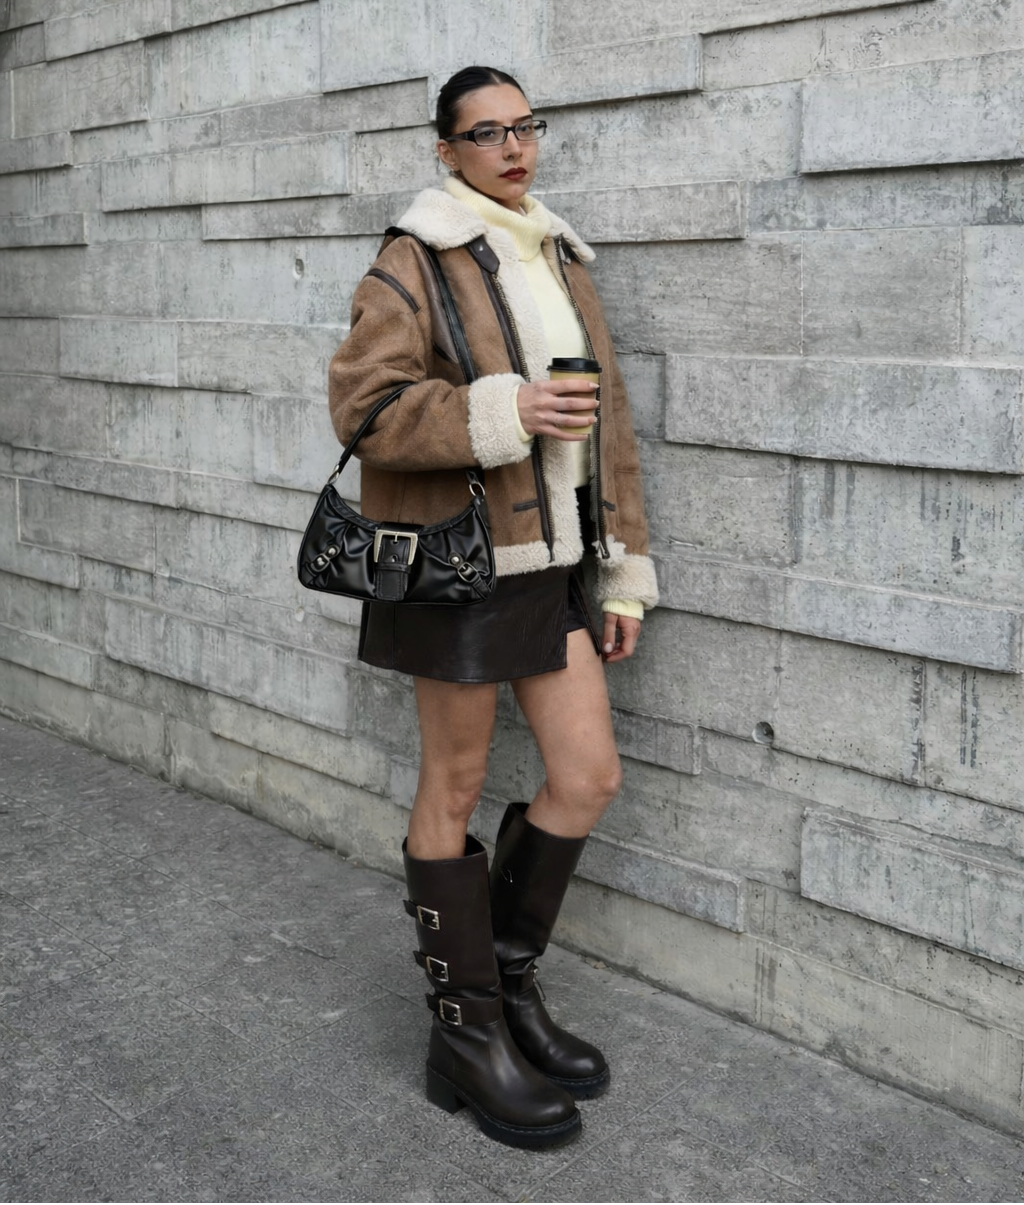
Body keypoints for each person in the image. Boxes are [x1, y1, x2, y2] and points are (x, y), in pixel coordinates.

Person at [328, 65, 658, 1149]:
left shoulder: (557, 253)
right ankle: (465, 1037)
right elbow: (363, 405)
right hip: (462, 568)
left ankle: (507, 986)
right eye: (486, 133)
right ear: (446, 149)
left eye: (525, 126)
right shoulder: (413, 256)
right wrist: (502, 408)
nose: (513, 147)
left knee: (587, 776)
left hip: (553, 564)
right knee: (456, 784)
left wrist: (621, 568)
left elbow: (609, 427)